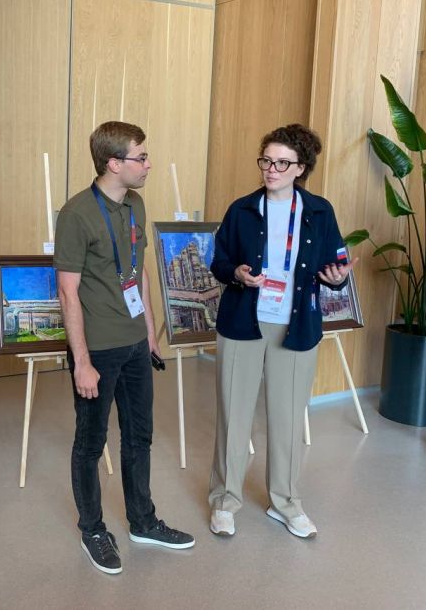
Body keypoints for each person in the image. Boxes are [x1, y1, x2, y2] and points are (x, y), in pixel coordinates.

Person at [54, 120, 194, 575]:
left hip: (135, 344)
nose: (148, 164)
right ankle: (93, 529)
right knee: (90, 444)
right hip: (98, 349)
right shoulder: (76, 214)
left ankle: (143, 521)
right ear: (114, 163)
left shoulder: (135, 203)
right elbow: (68, 292)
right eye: (141, 157)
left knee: (139, 437)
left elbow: (139, 269)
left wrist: (150, 332)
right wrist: (81, 362)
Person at [207, 123, 354, 540]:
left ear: (301, 168)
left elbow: (335, 266)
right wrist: (235, 273)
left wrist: (338, 277)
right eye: (266, 161)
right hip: (243, 322)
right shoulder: (242, 209)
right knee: (234, 417)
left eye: (282, 163)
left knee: (288, 419)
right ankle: (224, 502)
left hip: (296, 324)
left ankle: (286, 502)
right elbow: (219, 262)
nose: (271, 169)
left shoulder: (320, 212)